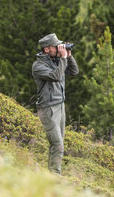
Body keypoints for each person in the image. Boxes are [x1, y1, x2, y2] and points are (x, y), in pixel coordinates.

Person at [32, 33, 79, 175]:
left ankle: (53, 174)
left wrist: (69, 56)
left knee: (59, 144)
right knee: (57, 144)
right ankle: (55, 178)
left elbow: (74, 71)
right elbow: (56, 77)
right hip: (48, 109)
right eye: (56, 46)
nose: (59, 48)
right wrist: (63, 58)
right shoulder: (38, 65)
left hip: (60, 106)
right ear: (47, 49)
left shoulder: (57, 61)